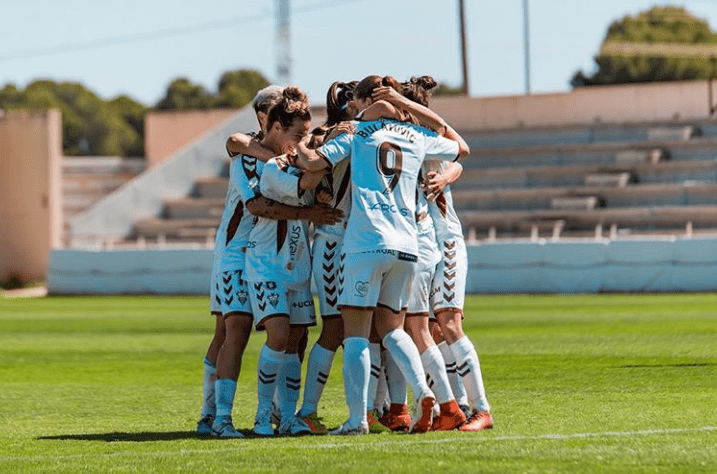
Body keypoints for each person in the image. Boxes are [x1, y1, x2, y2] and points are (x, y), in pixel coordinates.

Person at [296, 75, 469, 435]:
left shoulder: (357, 132)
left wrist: (296, 146)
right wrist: (406, 105)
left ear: (363, 102)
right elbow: (460, 149)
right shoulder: (416, 136)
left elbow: (313, 165)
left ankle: (358, 420)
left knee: (355, 334)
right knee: (393, 329)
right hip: (408, 246)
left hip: (366, 242)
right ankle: (424, 393)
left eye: (356, 103)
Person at [240, 86, 340, 436]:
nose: (300, 141)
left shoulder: (294, 159)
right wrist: (317, 153)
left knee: (296, 338)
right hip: (266, 264)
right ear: (277, 128)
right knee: (279, 335)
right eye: (296, 134)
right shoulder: (272, 168)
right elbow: (310, 179)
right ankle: (261, 414)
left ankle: (289, 417)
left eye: (304, 134)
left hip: (298, 267)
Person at [197, 85, 284, 437]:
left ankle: (221, 415)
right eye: (276, 110)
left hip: (269, 254)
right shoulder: (246, 148)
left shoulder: (289, 150)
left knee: (273, 331)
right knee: (234, 329)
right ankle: (217, 417)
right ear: (262, 114)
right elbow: (236, 140)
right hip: (236, 252)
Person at [296, 81, 358, 435]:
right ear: (347, 105)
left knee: (368, 328)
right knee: (335, 328)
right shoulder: (339, 135)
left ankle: (376, 409)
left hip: (353, 241)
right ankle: (307, 410)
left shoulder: (345, 133)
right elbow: (310, 172)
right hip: (333, 241)